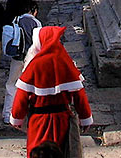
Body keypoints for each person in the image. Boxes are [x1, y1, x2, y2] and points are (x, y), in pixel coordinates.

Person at [10, 26, 93, 157]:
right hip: (62, 121)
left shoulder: (34, 65)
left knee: (38, 152)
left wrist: (17, 118)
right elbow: (79, 95)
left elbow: (21, 96)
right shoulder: (66, 63)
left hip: (38, 122)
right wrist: (85, 118)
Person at [2, 0, 41, 124]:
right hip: (31, 59)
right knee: (31, 86)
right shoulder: (36, 23)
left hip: (17, 57)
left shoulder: (16, 20)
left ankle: (8, 114)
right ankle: (30, 113)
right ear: (34, 11)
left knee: (11, 85)